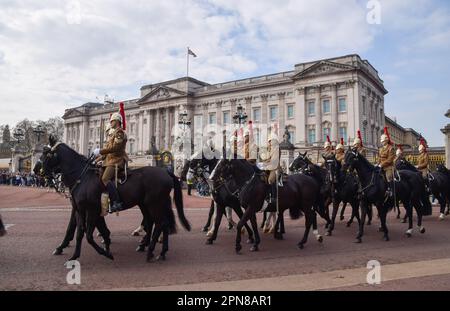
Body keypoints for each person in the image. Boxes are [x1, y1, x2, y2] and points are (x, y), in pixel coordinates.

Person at [93, 112, 128, 213]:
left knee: (105, 179)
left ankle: (116, 202)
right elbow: (108, 151)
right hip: (110, 160)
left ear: (117, 121)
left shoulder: (119, 133)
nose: (110, 122)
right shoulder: (114, 134)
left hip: (116, 161)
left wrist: (100, 151)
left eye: (112, 121)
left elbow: (115, 148)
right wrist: (97, 159)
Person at [258, 133, 280, 204]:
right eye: (269, 141)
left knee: (270, 180)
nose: (269, 142)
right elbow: (264, 158)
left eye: (271, 141)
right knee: (261, 177)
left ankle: (274, 197)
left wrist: (267, 160)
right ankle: (266, 195)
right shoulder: (268, 149)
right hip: (267, 168)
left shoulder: (277, 149)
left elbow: (274, 160)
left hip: (275, 168)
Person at [377, 132, 395, 197]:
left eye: (383, 141)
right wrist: (377, 164)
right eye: (382, 141)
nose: (382, 142)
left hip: (388, 167)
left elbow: (390, 159)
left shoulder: (391, 148)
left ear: (386, 141)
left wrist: (381, 164)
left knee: (388, 177)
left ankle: (390, 190)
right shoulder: (381, 149)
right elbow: (379, 157)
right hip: (381, 166)